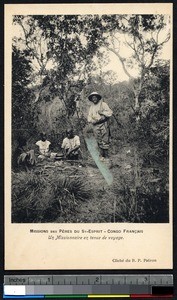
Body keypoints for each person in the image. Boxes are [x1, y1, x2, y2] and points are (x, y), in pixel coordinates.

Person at [87, 92, 113, 160]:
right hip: (95, 125)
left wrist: (102, 112)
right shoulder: (91, 107)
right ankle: (102, 156)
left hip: (103, 124)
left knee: (105, 139)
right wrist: (92, 120)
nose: (94, 99)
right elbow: (89, 117)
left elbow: (110, 113)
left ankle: (106, 157)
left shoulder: (103, 104)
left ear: (98, 98)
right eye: (93, 98)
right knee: (98, 140)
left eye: (95, 97)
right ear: (91, 99)